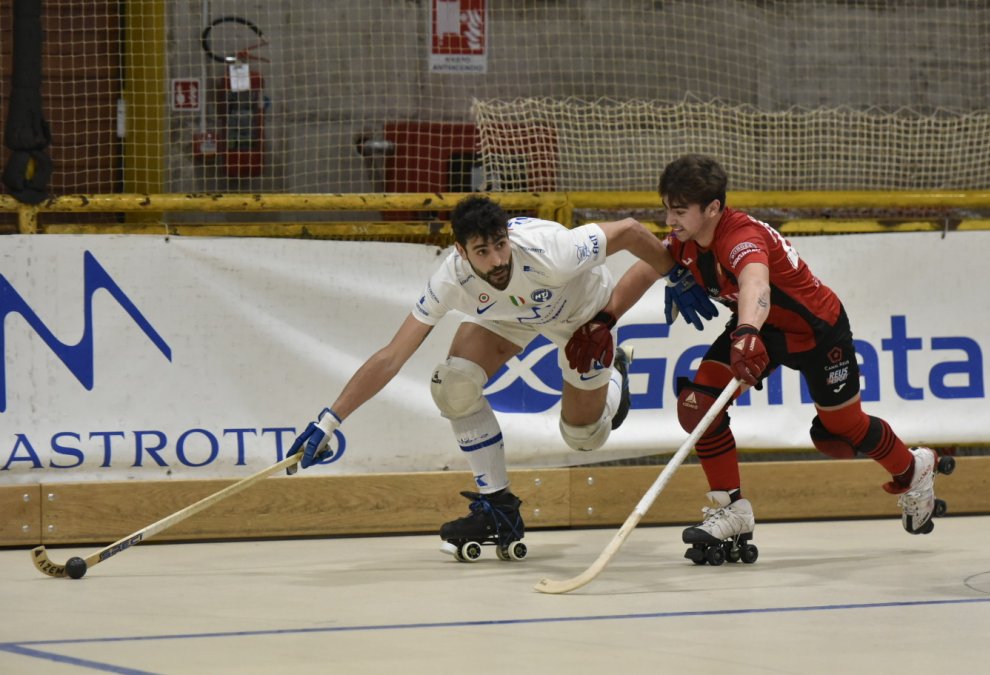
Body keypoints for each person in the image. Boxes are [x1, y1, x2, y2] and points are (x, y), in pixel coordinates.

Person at [286, 195, 706, 561]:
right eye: (482, 252)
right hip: (509, 318)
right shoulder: (451, 279)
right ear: (461, 252)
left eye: (501, 245)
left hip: (581, 315)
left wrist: (675, 274)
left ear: (509, 237)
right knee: (453, 386)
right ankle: (498, 506)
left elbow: (630, 230)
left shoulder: (551, 251)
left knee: (584, 436)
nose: (498, 260)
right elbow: (392, 356)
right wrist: (330, 420)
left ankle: (616, 375)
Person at [591, 154, 953, 563]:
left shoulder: (740, 236)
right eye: (666, 209)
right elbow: (646, 269)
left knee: (841, 428)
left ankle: (914, 469)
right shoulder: (685, 240)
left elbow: (756, 284)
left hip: (816, 331)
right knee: (697, 405)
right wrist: (604, 320)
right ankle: (731, 509)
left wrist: (746, 331)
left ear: (712, 208)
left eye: (678, 211)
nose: (669, 220)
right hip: (761, 331)